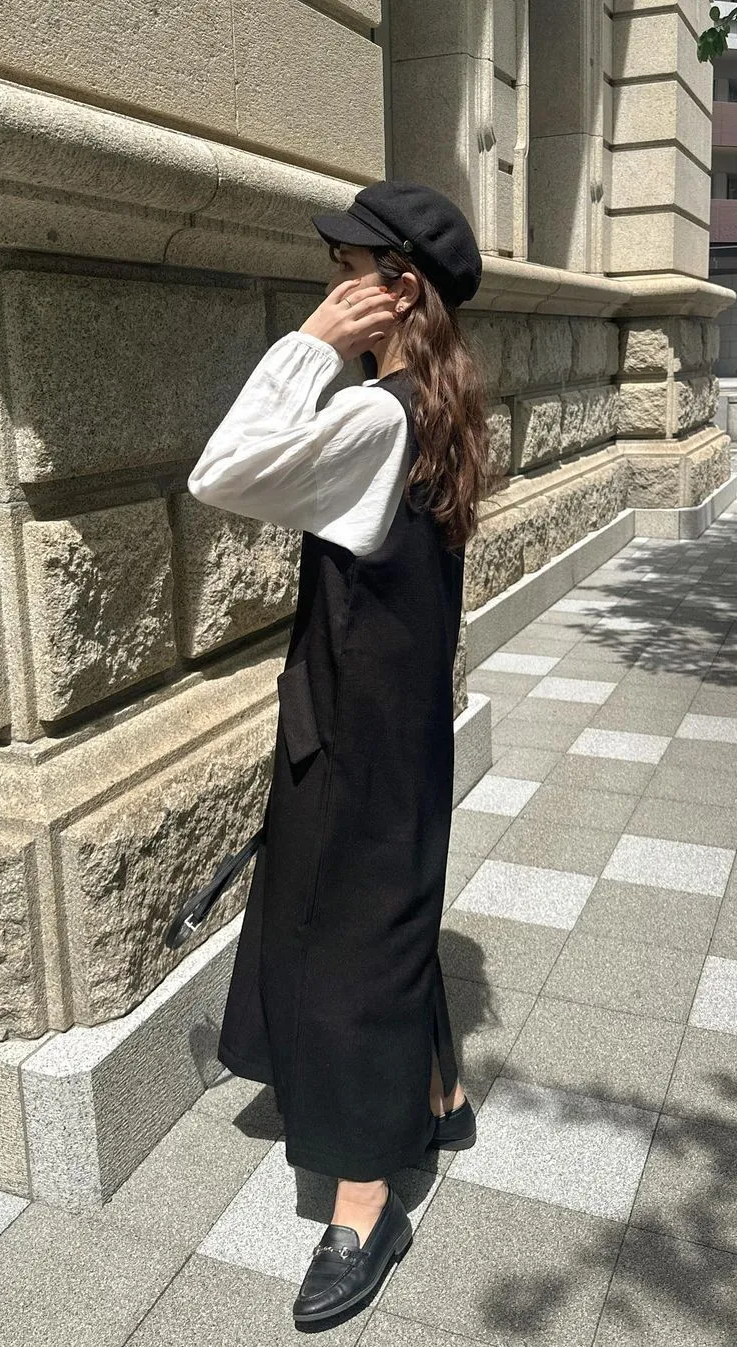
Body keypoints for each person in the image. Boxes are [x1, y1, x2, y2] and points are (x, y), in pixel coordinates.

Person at [187, 180, 491, 1326]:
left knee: (348, 953)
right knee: (393, 914)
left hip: (356, 734)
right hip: (398, 725)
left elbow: (222, 472)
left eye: (345, 270)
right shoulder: (441, 404)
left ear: (395, 289)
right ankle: (439, 1093)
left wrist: (311, 342)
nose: (331, 284)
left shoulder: (376, 417)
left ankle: (367, 1207)